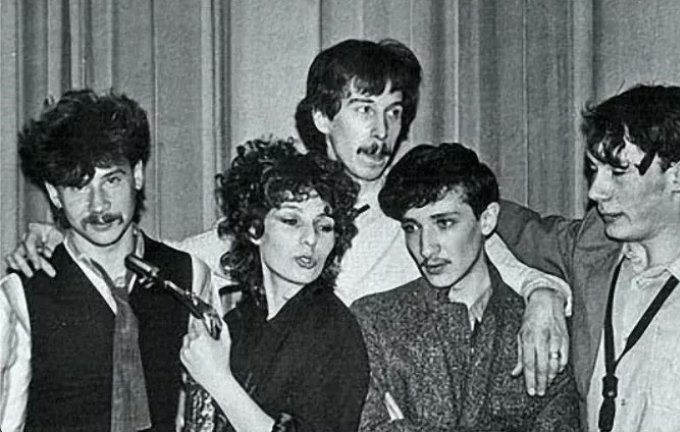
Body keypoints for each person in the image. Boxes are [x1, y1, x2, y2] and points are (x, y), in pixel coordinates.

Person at [6, 38, 570, 395]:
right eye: (364, 109)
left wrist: (543, 294)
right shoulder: (279, 209)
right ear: (323, 117)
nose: (381, 131)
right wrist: (63, 240)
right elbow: (167, 255)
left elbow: (500, 263)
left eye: (394, 113)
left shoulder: (415, 212)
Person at [495, 84, 680, 431]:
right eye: (594, 169)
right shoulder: (591, 244)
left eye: (618, 172)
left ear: (678, 175)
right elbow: (488, 218)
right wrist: (541, 290)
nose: (596, 191)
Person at [0, 89, 218, 432]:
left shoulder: (189, 275)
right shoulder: (20, 293)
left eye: (112, 180)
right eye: (78, 186)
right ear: (54, 193)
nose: (98, 205)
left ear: (138, 175)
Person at [352, 143, 580, 432]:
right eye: (412, 228)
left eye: (444, 223)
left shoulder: (539, 328)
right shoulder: (375, 320)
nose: (426, 248)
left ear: (487, 219)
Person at [180, 139, 369, 432]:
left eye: (324, 226)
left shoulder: (334, 330)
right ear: (254, 229)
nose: (311, 239)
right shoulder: (238, 323)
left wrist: (218, 380)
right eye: (292, 221)